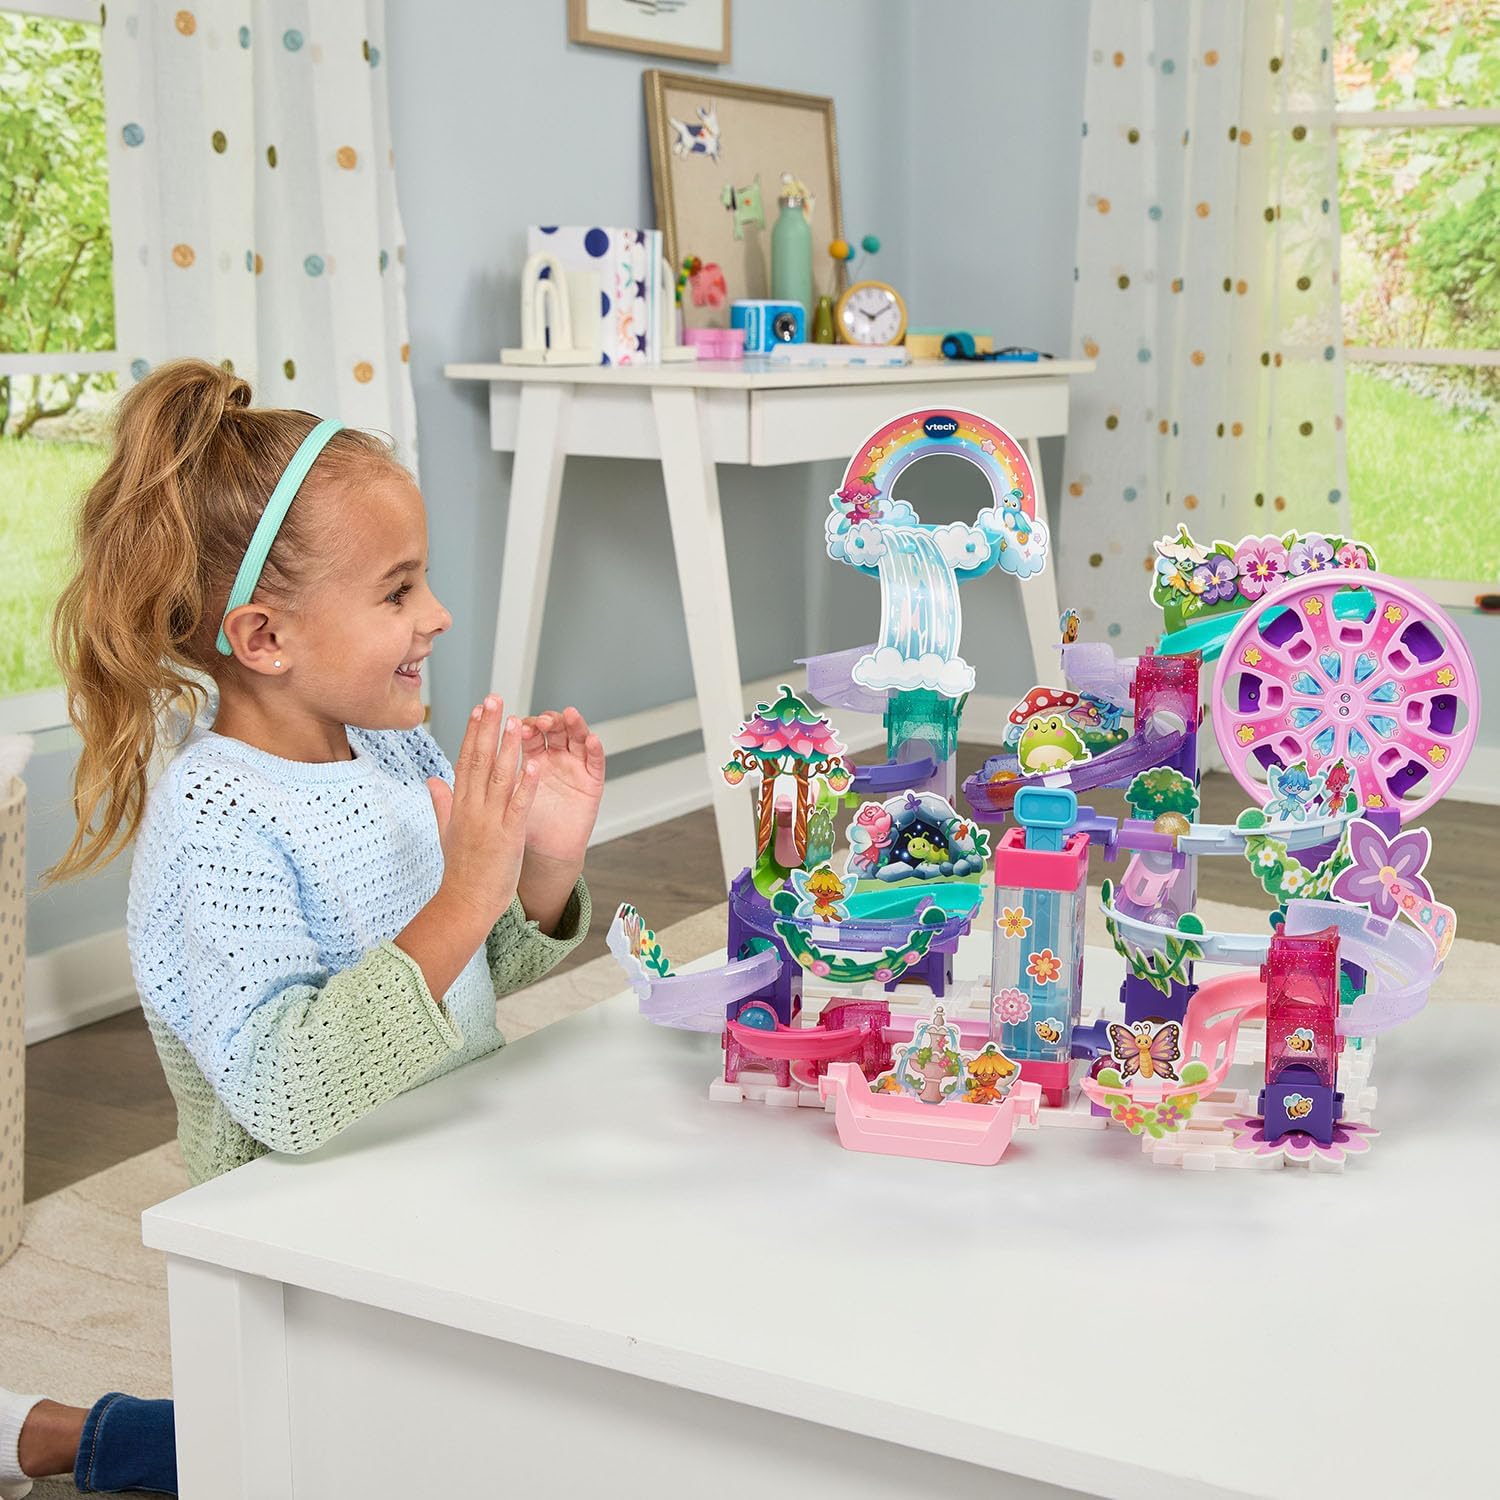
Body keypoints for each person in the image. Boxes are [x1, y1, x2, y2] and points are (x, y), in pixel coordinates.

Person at [1, 360, 605, 1495]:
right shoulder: (216, 817)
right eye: (397, 592)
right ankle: (62, 1435)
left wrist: (543, 863)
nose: (438, 616)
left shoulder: (387, 747)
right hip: (308, 1229)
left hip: (441, 1172)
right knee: (390, 1451)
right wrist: (464, 892)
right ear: (266, 637)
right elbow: (287, 1092)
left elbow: (469, 980)